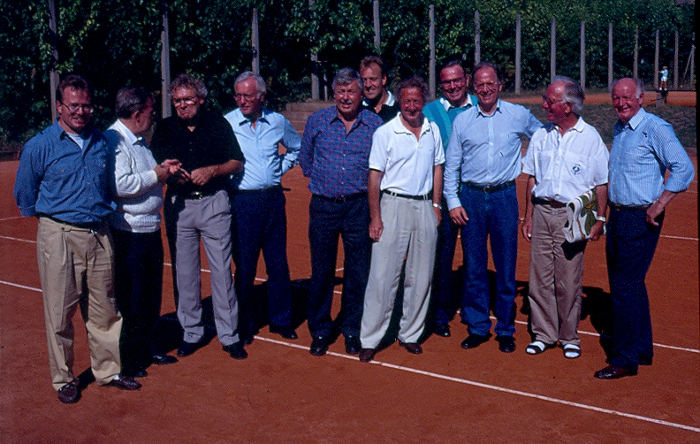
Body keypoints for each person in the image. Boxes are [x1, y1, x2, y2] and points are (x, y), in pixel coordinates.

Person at [14, 74, 141, 404]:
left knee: (105, 309)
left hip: (99, 234)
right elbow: (25, 195)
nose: (81, 112)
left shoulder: (101, 141)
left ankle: (108, 370)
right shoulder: (40, 145)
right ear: (59, 106)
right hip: (60, 235)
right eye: (74, 106)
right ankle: (64, 378)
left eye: (86, 106)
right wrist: (54, 223)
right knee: (60, 312)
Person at [594, 77, 694, 379]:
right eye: (616, 97)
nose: (621, 103)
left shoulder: (655, 128)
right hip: (619, 216)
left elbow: (683, 167)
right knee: (631, 283)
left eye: (627, 97)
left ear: (641, 98)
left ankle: (624, 358)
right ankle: (642, 348)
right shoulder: (620, 129)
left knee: (623, 286)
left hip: (641, 217)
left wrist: (659, 205)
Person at [443, 61, 542, 353]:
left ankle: (505, 329)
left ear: (500, 85)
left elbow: (543, 137)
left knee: (506, 264)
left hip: (503, 197)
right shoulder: (463, 120)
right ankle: (477, 326)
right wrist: (453, 201)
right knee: (474, 264)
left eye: (491, 84)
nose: (485, 89)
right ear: (474, 88)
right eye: (480, 85)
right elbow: (452, 166)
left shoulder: (518, 115)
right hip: (471, 197)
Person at [150, 73, 247, 360]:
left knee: (221, 272)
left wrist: (212, 170)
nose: (182, 106)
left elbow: (236, 162)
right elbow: (156, 165)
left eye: (188, 100)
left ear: (201, 100)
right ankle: (191, 332)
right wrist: (170, 171)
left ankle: (229, 335)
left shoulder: (217, 123)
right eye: (177, 101)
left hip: (214, 204)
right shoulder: (165, 128)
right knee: (185, 273)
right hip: (180, 206)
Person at [521, 76, 609, 359]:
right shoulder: (541, 135)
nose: (544, 104)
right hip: (543, 212)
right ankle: (544, 334)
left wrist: (600, 219)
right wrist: (528, 216)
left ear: (568, 106)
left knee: (568, 279)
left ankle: (569, 336)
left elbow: (601, 183)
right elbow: (532, 179)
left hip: (573, 214)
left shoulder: (590, 137)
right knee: (540, 278)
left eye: (550, 100)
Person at [358, 76, 444, 363]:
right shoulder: (385, 133)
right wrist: (375, 216)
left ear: (424, 102)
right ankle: (371, 338)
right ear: (400, 102)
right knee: (383, 275)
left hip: (423, 208)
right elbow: (374, 177)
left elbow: (437, 168)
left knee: (421, 276)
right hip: (392, 205)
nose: (410, 105)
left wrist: (435, 204)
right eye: (406, 100)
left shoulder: (432, 130)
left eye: (416, 100)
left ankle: (410, 334)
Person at [299, 68, 383, 357]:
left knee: (357, 272)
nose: (346, 97)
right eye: (341, 91)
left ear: (361, 94)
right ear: (334, 93)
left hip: (359, 206)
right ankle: (321, 330)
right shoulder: (317, 121)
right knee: (321, 271)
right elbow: (306, 160)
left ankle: (351, 330)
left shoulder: (374, 124)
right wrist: (325, 182)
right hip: (323, 206)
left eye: (351, 91)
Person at [106, 87, 181, 378]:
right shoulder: (114, 140)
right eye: (150, 111)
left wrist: (162, 168)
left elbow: (146, 175)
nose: (153, 117)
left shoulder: (138, 141)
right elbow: (120, 185)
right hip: (129, 233)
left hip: (149, 228)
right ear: (137, 114)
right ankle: (130, 358)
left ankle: (148, 347)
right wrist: (157, 175)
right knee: (132, 298)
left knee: (150, 295)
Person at [224, 71, 300, 344]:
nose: (242, 100)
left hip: (273, 200)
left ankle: (281, 320)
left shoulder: (277, 122)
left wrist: (279, 169)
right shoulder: (227, 123)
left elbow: (296, 148)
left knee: (278, 264)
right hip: (242, 202)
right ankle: (244, 323)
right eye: (238, 95)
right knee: (244, 267)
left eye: (247, 95)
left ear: (261, 96)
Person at [422, 57, 478, 338]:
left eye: (457, 80)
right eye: (446, 81)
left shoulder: (482, 105)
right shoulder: (429, 110)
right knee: (442, 256)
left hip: (474, 192)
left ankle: (472, 309)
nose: (452, 85)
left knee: (475, 255)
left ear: (466, 79)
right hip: (442, 193)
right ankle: (440, 313)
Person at [360, 56, 399, 122]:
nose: (368, 85)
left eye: (373, 79)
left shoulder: (400, 108)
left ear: (383, 79)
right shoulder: (357, 109)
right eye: (364, 80)